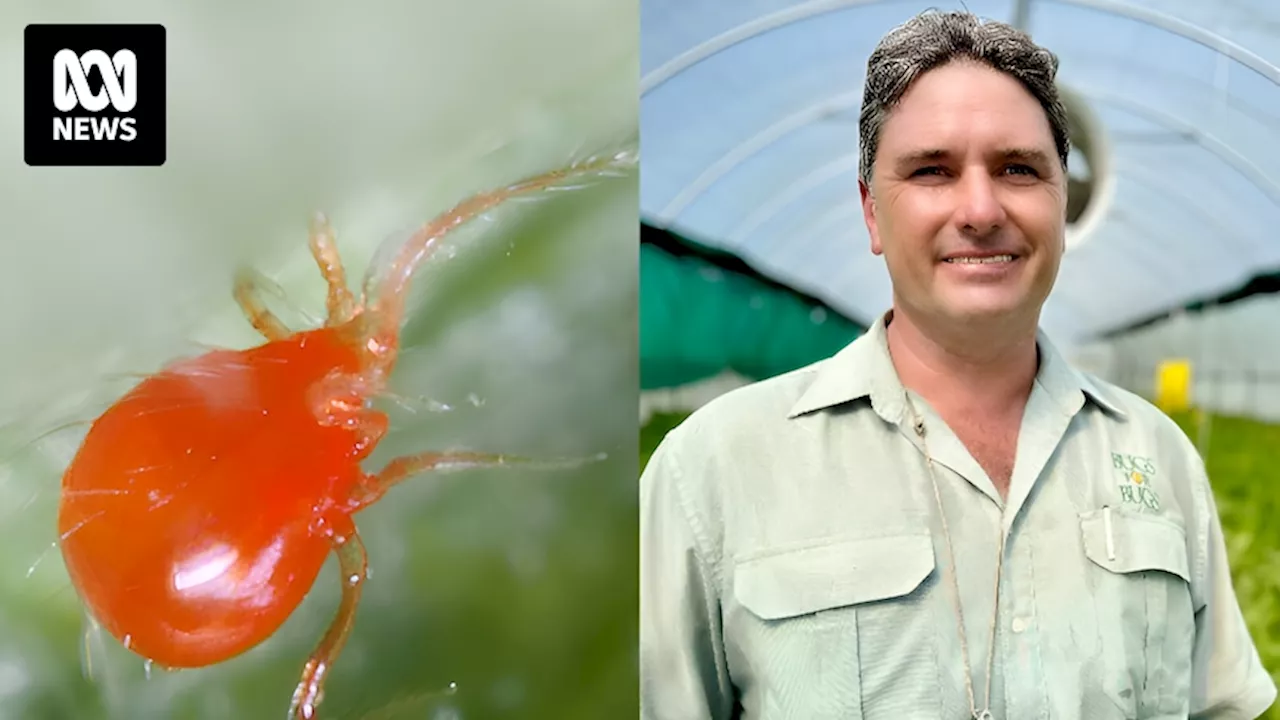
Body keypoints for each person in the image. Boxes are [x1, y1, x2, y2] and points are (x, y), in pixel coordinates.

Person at [639, 9, 1277, 720]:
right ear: (872, 213)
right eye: (933, 170)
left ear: (1062, 202)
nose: (980, 208)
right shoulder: (711, 470)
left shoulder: (1159, 459)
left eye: (1018, 169)